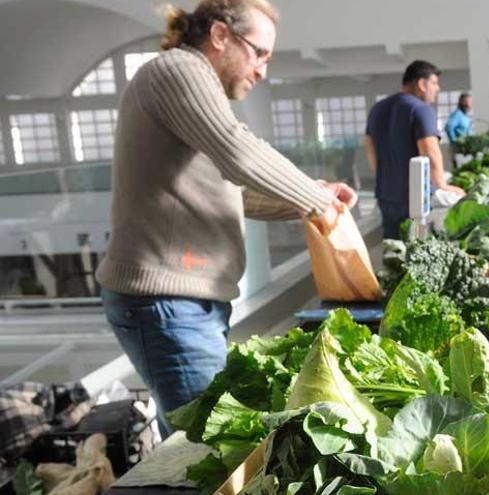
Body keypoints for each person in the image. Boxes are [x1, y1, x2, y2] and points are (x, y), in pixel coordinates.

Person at [95, 0, 357, 438]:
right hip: (165, 301)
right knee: (208, 445)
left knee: (201, 439)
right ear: (220, 36)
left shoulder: (190, 85)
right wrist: (315, 199)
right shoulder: (178, 71)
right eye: (260, 54)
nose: (262, 71)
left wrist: (310, 198)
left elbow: (234, 194)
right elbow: (238, 154)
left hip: (180, 302)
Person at [364, 60, 464, 239]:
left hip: (386, 194)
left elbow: (369, 147)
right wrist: (442, 185)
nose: (438, 88)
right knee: (416, 250)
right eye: (434, 83)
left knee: (392, 246)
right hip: (415, 197)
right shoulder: (420, 109)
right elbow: (430, 151)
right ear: (421, 84)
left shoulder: (377, 109)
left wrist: (385, 175)